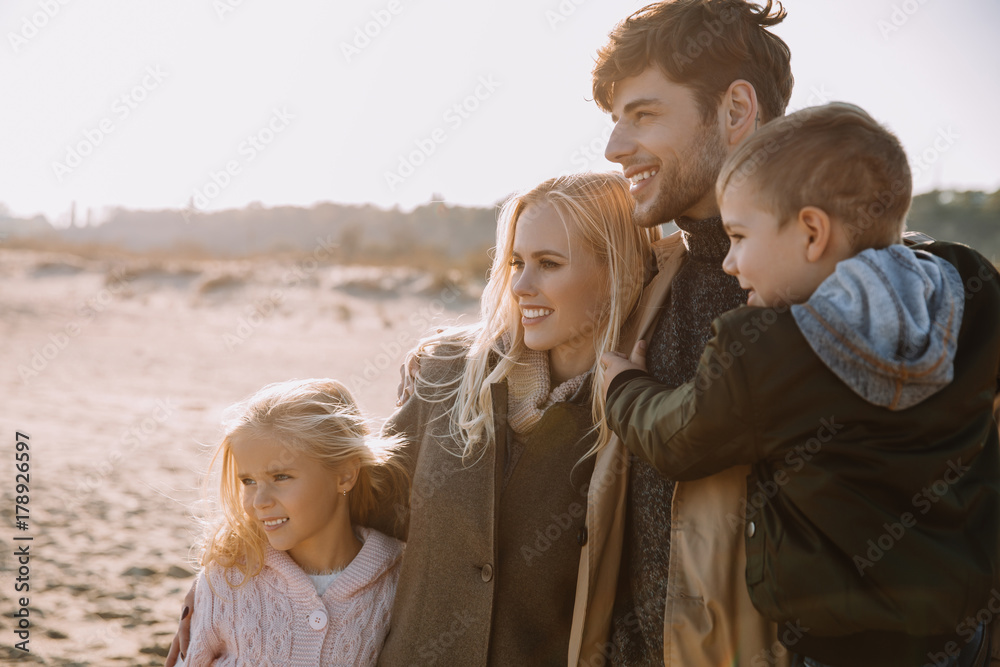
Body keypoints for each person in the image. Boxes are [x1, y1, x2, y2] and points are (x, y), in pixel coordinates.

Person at [601, 102, 1000, 667]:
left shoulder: (772, 350)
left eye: (739, 236)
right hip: (966, 633)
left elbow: (679, 437)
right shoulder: (970, 287)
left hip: (849, 647)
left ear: (813, 232)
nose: (729, 263)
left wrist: (625, 387)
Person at [569, 1, 795, 665]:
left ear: (735, 110)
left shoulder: (859, 297)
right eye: (615, 121)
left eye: (642, 114)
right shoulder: (655, 274)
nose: (614, 148)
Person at [374, 172, 660, 665]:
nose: (521, 285)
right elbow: (359, 518)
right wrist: (220, 599)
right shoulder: (444, 371)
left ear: (618, 270)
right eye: (516, 262)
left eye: (548, 264)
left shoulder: (636, 413)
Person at [178, 378, 408, 666]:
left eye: (281, 477)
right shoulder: (228, 578)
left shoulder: (399, 579)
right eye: (248, 481)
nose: (259, 501)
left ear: (345, 475)